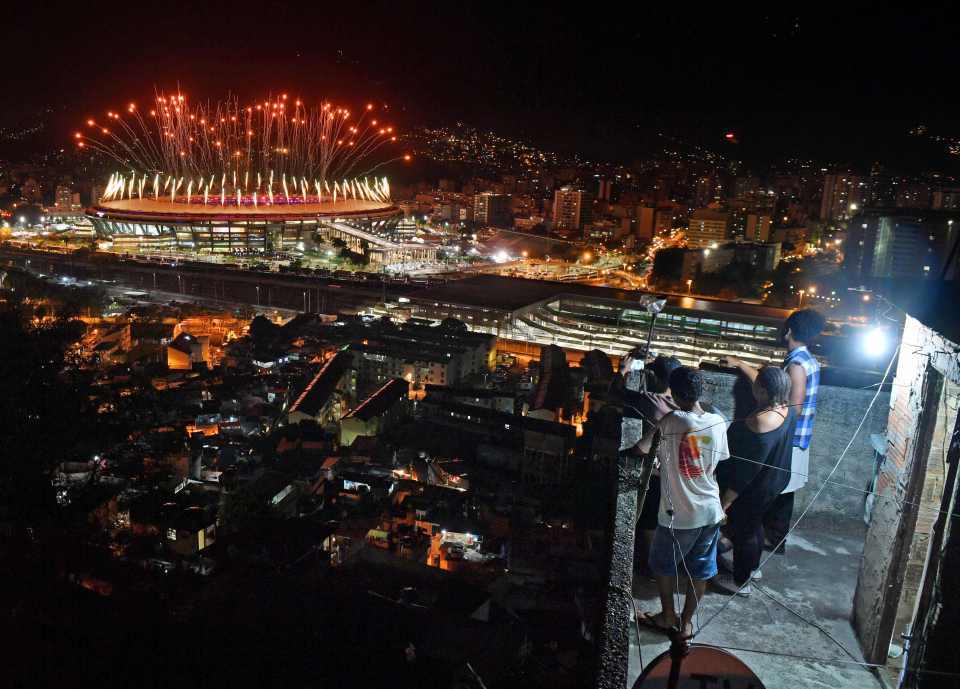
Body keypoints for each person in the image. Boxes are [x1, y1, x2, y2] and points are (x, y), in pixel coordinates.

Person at [634, 366, 730, 639]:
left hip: (680, 514)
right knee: (699, 570)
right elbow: (715, 461)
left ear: (674, 394)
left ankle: (667, 616)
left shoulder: (672, 420)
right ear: (702, 392)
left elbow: (640, 449)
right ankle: (686, 623)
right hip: (711, 510)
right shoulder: (718, 422)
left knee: (662, 564)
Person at [719, 308, 825, 550]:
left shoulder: (797, 365)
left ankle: (764, 544)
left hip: (790, 439)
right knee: (779, 494)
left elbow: (792, 404)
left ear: (788, 331)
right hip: (797, 437)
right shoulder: (807, 358)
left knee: (770, 496)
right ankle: (766, 541)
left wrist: (740, 364)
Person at [715, 367, 797, 595]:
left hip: (755, 487)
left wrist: (726, 500)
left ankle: (741, 582)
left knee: (745, 532)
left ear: (762, 391)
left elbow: (748, 470)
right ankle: (752, 569)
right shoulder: (787, 409)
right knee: (755, 524)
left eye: (757, 385)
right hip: (776, 480)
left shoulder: (760, 421)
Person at [624, 355, 682, 576]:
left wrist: (625, 370)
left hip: (658, 473)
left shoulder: (651, 401)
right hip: (681, 473)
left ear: (656, 378)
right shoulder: (685, 405)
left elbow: (617, 394)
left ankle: (650, 568)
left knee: (648, 521)